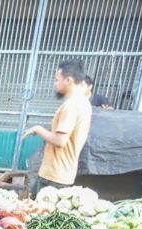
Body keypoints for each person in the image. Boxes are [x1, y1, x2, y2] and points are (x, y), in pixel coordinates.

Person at [25, 60, 92, 197]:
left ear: (68, 80)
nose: (55, 84)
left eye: (57, 80)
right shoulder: (83, 103)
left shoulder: (71, 106)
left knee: (36, 215)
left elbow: (60, 141)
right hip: (63, 174)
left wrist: (38, 129)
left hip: (53, 176)